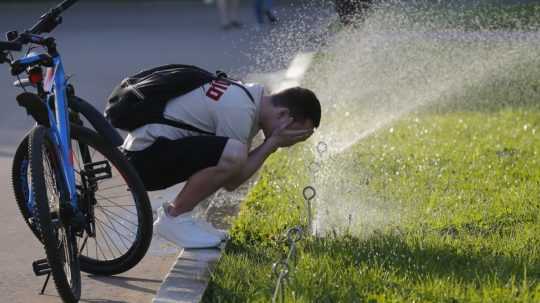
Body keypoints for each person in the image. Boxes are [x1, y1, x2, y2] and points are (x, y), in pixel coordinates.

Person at [122, 82, 321, 248]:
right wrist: (272, 144)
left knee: (232, 154)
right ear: (283, 114)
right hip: (143, 161)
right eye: (295, 134)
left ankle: (184, 215)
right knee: (233, 155)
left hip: (147, 151)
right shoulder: (241, 110)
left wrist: (271, 142)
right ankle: (174, 218)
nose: (292, 142)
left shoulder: (248, 97)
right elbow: (233, 179)